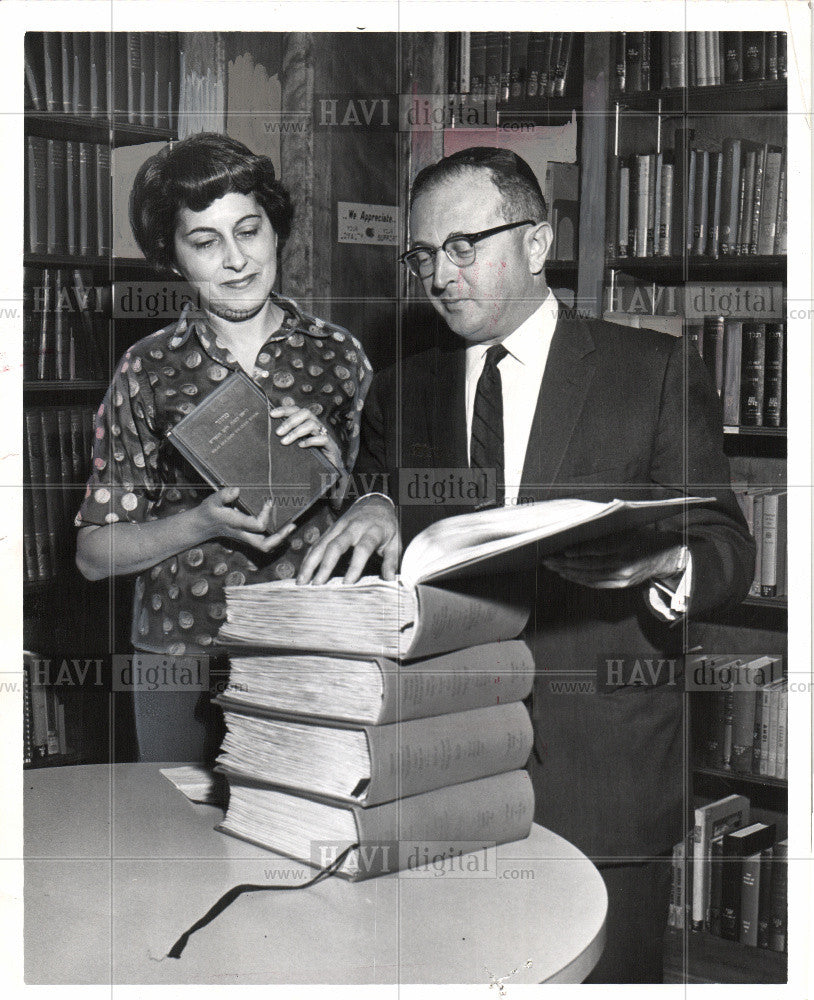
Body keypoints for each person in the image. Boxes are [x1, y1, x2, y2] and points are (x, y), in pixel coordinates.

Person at [298, 147, 755, 982]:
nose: (440, 274)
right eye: (424, 254)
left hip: (604, 771)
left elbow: (726, 541)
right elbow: (390, 523)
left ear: (538, 244)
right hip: (442, 769)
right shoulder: (401, 390)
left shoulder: (649, 372)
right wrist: (373, 503)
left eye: (464, 245)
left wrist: (671, 564)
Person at [75, 132, 372, 764]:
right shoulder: (146, 369)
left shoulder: (338, 357)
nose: (236, 260)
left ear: (276, 230)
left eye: (250, 230)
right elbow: (94, 554)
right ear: (174, 258)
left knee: (297, 829)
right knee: (175, 841)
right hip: (177, 656)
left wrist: (340, 476)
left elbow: (378, 516)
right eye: (206, 242)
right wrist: (201, 522)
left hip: (308, 645)